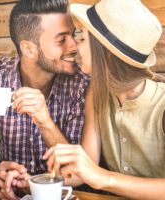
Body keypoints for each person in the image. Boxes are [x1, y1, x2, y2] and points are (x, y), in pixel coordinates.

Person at [0, 0, 89, 199]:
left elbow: (77, 171)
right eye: (61, 40)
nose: (75, 46)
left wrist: (45, 122)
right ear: (29, 49)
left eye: (73, 35)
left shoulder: (81, 85)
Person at [43, 0, 165, 199]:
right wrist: (30, 181)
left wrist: (104, 178)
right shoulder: (96, 93)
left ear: (106, 54)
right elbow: (83, 171)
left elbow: (97, 175)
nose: (74, 46)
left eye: (82, 38)